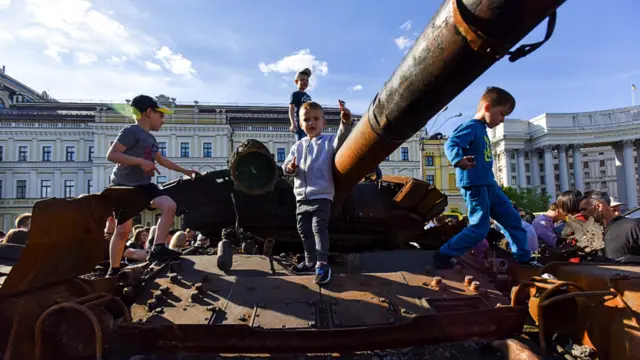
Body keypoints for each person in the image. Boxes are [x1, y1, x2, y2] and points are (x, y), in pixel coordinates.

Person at [433, 86, 541, 268]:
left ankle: (524, 258)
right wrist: (458, 159)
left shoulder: (482, 130)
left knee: (513, 219)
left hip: (489, 185)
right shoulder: (471, 127)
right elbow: (452, 143)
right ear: (488, 107)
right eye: (502, 114)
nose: (502, 120)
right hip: (474, 184)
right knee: (480, 227)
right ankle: (444, 254)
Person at [105, 94, 198, 277]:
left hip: (144, 185)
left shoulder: (151, 139)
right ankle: (113, 269)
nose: (163, 120)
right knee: (123, 231)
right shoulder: (131, 132)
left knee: (169, 205)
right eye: (160, 115)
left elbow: (162, 160)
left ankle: (158, 247)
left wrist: (185, 171)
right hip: (124, 186)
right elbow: (112, 155)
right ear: (149, 112)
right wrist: (140, 161)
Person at [283, 100, 353, 284]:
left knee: (318, 228)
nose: (311, 123)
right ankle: (309, 261)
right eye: (306, 119)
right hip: (301, 197)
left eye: (316, 119)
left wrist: (345, 123)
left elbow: (342, 139)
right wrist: (289, 167)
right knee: (303, 230)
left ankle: (322, 263)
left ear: (324, 123)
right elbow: (286, 167)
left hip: (321, 194)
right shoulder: (297, 146)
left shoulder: (328, 141)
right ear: (300, 124)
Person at [579, 190, 640, 259]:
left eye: (584, 209)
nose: (581, 214)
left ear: (599, 206)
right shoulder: (590, 235)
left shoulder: (633, 227)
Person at [288, 68, 313, 141]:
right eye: (302, 80)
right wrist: (293, 123)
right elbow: (291, 108)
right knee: (301, 142)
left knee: (309, 142)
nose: (305, 82)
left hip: (308, 124)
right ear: (296, 82)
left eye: (307, 80)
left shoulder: (308, 97)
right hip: (300, 123)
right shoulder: (295, 94)